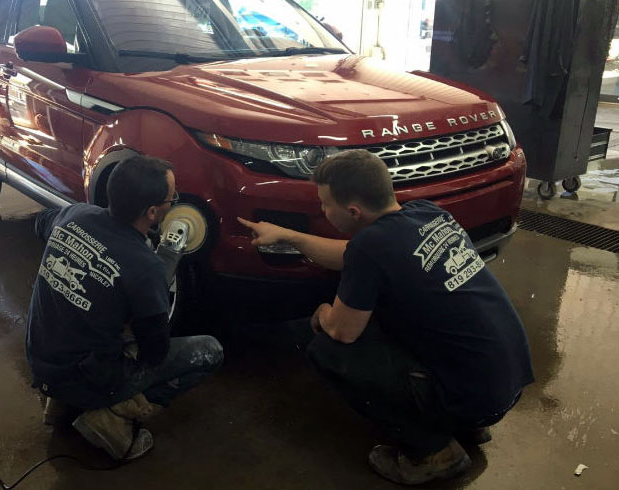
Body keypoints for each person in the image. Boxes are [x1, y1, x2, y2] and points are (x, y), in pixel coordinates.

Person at [238, 149, 533, 485]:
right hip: (506, 380)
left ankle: (433, 453)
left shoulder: (371, 246)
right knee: (393, 320)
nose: (322, 209)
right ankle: (465, 422)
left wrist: (322, 313)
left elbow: (342, 332)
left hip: (478, 398)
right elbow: (349, 255)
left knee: (328, 351)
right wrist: (288, 235)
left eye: (325, 204)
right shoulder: (425, 214)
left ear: (352, 211)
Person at [26, 155, 223, 461]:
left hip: (40, 360)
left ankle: (61, 403)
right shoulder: (145, 269)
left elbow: (41, 223)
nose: (175, 202)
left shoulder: (74, 214)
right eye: (173, 198)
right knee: (210, 351)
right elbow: (154, 354)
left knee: (107, 323)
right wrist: (154, 281)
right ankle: (111, 416)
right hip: (88, 378)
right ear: (154, 212)